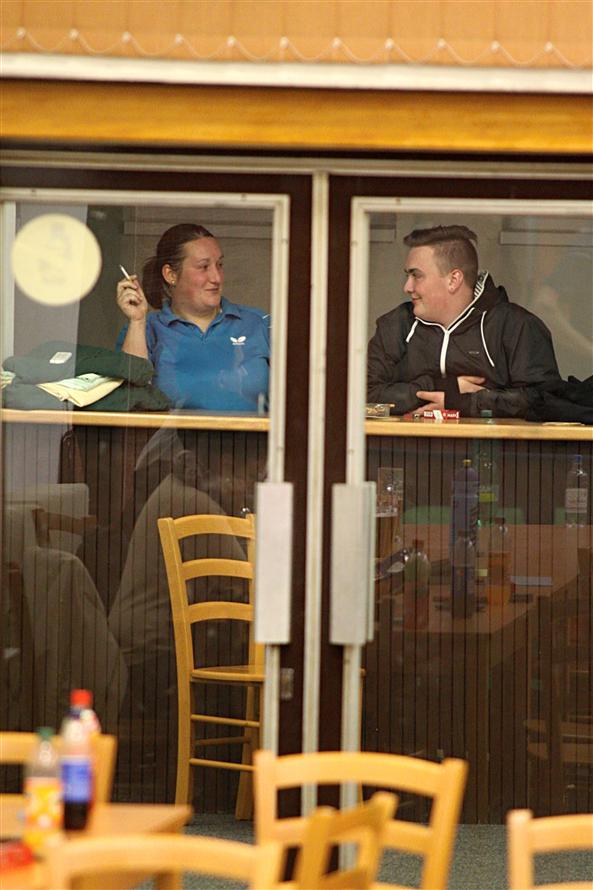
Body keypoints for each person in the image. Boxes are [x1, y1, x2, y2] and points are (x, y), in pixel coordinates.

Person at [367, 225, 561, 417]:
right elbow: (363, 395)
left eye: (416, 275)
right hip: (404, 439)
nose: (407, 287)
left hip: (492, 439)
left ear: (454, 280)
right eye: (407, 275)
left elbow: (546, 399)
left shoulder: (516, 326)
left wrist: (463, 402)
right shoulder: (395, 324)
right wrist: (442, 387)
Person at [116, 223, 270, 412]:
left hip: (256, 433)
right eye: (203, 267)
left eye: (219, 265)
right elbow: (132, 403)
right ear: (171, 275)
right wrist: (137, 320)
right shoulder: (145, 329)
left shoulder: (259, 324)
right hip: (174, 433)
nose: (216, 277)